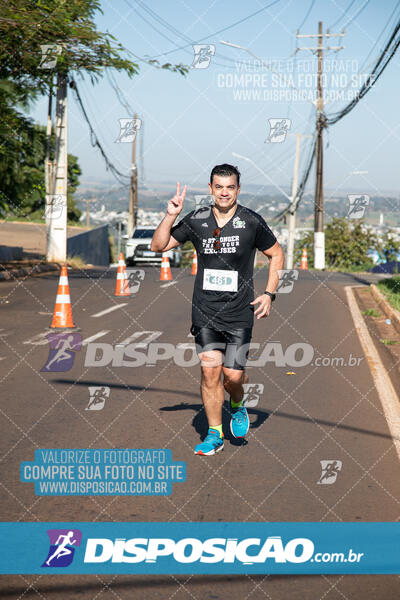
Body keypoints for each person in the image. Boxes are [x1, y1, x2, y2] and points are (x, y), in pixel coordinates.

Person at [151, 164, 285, 455]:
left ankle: (237, 404)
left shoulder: (251, 221)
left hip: (239, 313)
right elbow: (158, 246)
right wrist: (171, 214)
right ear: (210, 189)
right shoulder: (197, 219)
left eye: (230, 187)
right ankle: (214, 434)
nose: (224, 192)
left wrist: (269, 294)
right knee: (210, 372)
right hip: (205, 311)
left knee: (233, 377)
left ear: (238, 189)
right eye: (219, 187)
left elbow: (276, 253)